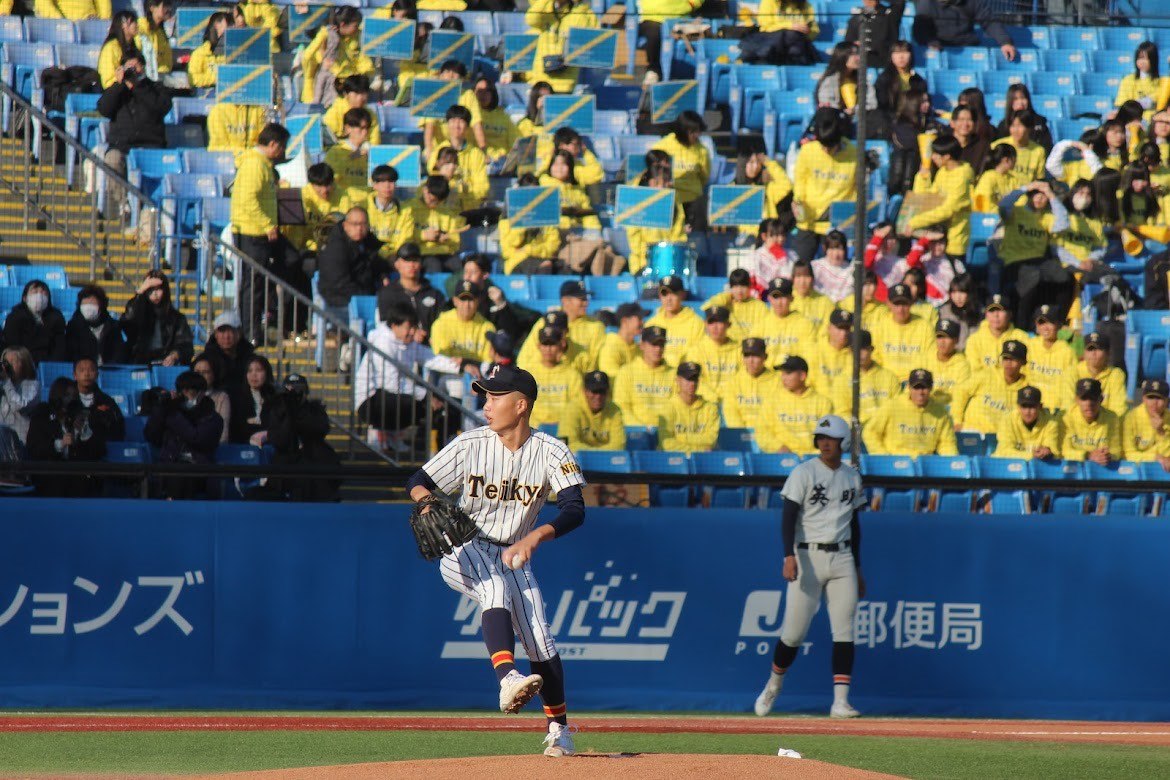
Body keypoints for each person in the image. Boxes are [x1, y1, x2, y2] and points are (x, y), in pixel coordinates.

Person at [406, 363, 584, 756]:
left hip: (514, 550)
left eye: (495, 396)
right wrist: (427, 502)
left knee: (540, 638)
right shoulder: (470, 444)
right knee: (494, 588)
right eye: (486, 396)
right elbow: (417, 480)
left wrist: (537, 536)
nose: (486, 405)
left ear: (521, 405)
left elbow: (574, 509)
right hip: (464, 545)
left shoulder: (551, 451)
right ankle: (507, 679)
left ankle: (559, 731)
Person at [753, 414, 866, 720]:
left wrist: (857, 567)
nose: (825, 443)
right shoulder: (803, 472)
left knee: (844, 630)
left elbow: (855, 525)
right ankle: (773, 685)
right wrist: (787, 556)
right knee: (793, 634)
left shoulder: (852, 477)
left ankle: (840, 702)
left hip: (842, 557)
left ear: (843, 443)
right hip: (807, 555)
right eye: (821, 438)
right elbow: (788, 516)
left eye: (831, 439)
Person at [354, 305, 478, 450]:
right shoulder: (382, 344)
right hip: (370, 401)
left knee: (449, 405)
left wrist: (461, 367)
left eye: (414, 327)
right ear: (394, 326)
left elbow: (430, 358)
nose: (412, 332)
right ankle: (379, 431)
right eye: (408, 327)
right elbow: (391, 384)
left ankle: (398, 436)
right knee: (422, 405)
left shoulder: (408, 342)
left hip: (395, 394)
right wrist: (427, 395)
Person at [230, 123, 301, 340]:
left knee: (290, 259)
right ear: (273, 145)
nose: (283, 152)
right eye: (282, 147)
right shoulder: (254, 165)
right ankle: (250, 332)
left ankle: (271, 309)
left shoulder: (263, 165)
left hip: (262, 232)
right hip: (252, 233)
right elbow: (248, 200)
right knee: (253, 284)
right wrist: (266, 225)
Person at [253, 374, 341, 502]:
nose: (294, 394)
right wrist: (288, 412)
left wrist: (298, 413)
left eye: (299, 390)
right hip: (285, 463)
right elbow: (279, 438)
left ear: (306, 392)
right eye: (289, 390)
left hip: (312, 461)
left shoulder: (314, 410)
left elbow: (320, 429)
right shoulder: (277, 411)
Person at [997, 181, 1072, 328]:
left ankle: (1057, 321)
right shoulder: (1016, 212)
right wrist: (1025, 187)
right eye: (1036, 194)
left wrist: (1051, 195)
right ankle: (1022, 325)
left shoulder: (1047, 217)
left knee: (1065, 277)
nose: (1039, 198)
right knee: (1031, 278)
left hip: (1039, 261)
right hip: (1015, 261)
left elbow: (1063, 223)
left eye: (1043, 196)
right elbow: (1003, 205)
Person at [144, 371, 224, 500]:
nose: (184, 395)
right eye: (182, 391)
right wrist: (161, 409)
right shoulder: (171, 411)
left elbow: (196, 438)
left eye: (189, 391)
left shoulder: (213, 418)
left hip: (200, 470)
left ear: (201, 393)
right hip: (169, 466)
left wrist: (174, 415)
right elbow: (151, 436)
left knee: (182, 474)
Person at [793, 109, 858, 262]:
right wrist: (798, 201)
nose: (826, 150)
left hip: (835, 223)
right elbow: (800, 179)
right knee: (802, 265)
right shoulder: (808, 151)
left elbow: (856, 188)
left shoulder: (853, 154)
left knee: (836, 267)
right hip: (808, 220)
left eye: (830, 147)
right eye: (823, 146)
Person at [25, 376, 107, 497]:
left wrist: (84, 431)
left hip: (76, 480)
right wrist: (60, 444)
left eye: (73, 396)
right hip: (49, 477)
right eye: (67, 395)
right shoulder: (43, 414)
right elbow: (34, 448)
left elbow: (99, 450)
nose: (70, 400)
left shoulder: (78, 416)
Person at [904, 135, 974, 259]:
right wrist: (923, 178)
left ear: (947, 156)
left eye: (936, 154)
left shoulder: (962, 177)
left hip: (954, 241)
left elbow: (948, 209)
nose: (933, 157)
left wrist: (915, 222)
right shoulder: (943, 171)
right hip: (937, 238)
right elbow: (929, 199)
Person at [864, 368, 957, 455]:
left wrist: (950, 460)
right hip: (896, 460)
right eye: (916, 387)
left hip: (925, 461)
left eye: (924, 387)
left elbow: (947, 443)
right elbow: (870, 432)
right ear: (909, 387)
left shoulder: (940, 413)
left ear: (931, 388)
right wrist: (883, 456)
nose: (920, 392)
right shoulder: (892, 407)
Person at [316, 207, 389, 311]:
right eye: (355, 224)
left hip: (365, 296)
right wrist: (369, 298)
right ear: (345, 226)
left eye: (363, 224)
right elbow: (339, 285)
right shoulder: (335, 249)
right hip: (339, 302)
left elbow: (377, 263)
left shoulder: (368, 243)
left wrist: (383, 275)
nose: (359, 228)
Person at [951, 339, 1030, 434]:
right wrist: (957, 421)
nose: (1008, 363)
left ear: (1023, 362)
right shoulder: (986, 374)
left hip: (1001, 438)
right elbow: (960, 392)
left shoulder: (1026, 389)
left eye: (1013, 359)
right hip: (972, 432)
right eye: (1006, 358)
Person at [757, 356, 833, 454]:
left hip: (813, 458)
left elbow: (827, 434)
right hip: (782, 459)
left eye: (788, 373)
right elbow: (762, 432)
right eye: (782, 373)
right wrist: (779, 447)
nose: (783, 378)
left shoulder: (823, 403)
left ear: (802, 376)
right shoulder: (771, 401)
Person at [300, 6, 374, 105]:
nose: (358, 29)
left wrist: (361, 76)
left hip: (349, 85)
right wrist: (323, 60)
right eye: (355, 26)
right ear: (343, 24)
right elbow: (307, 56)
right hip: (326, 84)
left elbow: (364, 60)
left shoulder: (357, 36)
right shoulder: (326, 35)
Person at [375, 243, 446, 342]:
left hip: (431, 345)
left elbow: (443, 322)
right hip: (399, 346)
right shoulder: (387, 294)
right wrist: (411, 333)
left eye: (415, 260)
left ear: (421, 264)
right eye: (407, 260)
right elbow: (385, 327)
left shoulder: (434, 294)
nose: (412, 265)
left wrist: (434, 337)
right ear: (397, 264)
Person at [523, 0, 598, 93]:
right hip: (541, 80)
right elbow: (531, 19)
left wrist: (579, 4)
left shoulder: (580, 13)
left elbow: (593, 33)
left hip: (565, 81)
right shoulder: (545, 10)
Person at [121, 271, 194, 366]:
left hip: (165, 365)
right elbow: (128, 319)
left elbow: (186, 345)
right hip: (139, 363)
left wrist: (175, 355)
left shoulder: (177, 318)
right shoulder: (139, 313)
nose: (155, 293)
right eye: (150, 289)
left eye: (158, 289)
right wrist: (140, 291)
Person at [653, 111, 710, 230]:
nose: (697, 135)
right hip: (670, 201)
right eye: (693, 132)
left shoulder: (702, 151)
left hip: (692, 200)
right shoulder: (663, 146)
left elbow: (704, 176)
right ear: (683, 131)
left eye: (699, 131)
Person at [911, 0, 1017, 62]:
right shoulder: (927, 4)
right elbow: (920, 30)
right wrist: (930, 41)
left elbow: (989, 21)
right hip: (939, 50)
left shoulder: (971, 2)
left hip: (968, 48)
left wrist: (1005, 42)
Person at [870, 283, 935, 382]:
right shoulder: (880, 326)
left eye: (904, 304)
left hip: (916, 381)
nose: (900, 309)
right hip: (885, 380)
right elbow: (875, 357)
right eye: (896, 304)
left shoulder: (924, 326)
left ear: (911, 303)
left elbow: (930, 358)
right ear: (888, 304)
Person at [613, 326, 675, 428]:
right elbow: (622, 407)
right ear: (642, 345)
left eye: (661, 345)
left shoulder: (674, 374)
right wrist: (642, 429)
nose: (658, 349)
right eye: (653, 344)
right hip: (636, 432)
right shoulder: (627, 372)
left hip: (667, 431)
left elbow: (678, 408)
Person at [526, 326, 584, 431]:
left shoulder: (573, 375)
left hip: (563, 429)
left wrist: (563, 425)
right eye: (545, 344)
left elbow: (576, 406)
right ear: (538, 346)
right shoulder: (529, 373)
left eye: (552, 344)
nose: (548, 349)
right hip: (533, 429)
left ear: (560, 346)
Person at [408, 175, 467, 274]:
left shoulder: (448, 213)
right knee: (433, 264)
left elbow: (455, 242)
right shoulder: (410, 209)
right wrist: (423, 236)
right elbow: (403, 235)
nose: (433, 204)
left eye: (437, 202)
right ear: (424, 190)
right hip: (420, 252)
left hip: (444, 252)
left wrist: (446, 238)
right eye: (431, 199)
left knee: (458, 265)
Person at [656, 362, 720, 453]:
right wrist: (698, 449)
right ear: (678, 380)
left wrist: (681, 437)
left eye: (695, 379)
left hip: (700, 459)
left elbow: (711, 440)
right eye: (688, 379)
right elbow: (666, 444)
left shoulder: (710, 408)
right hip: (672, 459)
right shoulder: (667, 407)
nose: (692, 383)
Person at [644, 275, 706, 367]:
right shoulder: (651, 323)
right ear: (660, 296)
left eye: (673, 293)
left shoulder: (696, 323)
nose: (669, 299)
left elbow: (699, 355)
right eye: (664, 294)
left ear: (682, 295)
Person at [1025, 305, 1077, 414]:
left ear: (1059, 325)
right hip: (1031, 408)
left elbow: (1069, 388)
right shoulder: (1030, 346)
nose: (1045, 327)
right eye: (1041, 323)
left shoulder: (1067, 352)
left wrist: (1064, 413)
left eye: (1050, 322)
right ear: (1036, 326)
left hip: (1056, 411)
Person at [755, 278, 816, 370]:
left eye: (783, 297)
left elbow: (809, 356)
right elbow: (754, 355)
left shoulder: (805, 324)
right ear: (769, 298)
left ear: (791, 298)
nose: (779, 302)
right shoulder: (760, 324)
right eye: (775, 297)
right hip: (767, 375)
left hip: (793, 373)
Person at [2, 281, 68, 364]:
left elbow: (59, 347)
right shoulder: (14, 317)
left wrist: (49, 365)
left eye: (43, 293)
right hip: (22, 362)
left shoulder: (57, 317)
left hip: (49, 363)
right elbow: (12, 345)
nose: (39, 296)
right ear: (25, 298)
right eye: (35, 292)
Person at [683, 307, 740, 402]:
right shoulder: (696, 350)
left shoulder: (739, 350)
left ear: (728, 324)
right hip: (705, 402)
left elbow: (743, 379)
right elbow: (695, 380)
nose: (715, 327)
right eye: (711, 322)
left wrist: (729, 399)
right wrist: (713, 398)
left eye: (719, 322)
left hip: (732, 402)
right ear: (705, 324)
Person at [557, 370, 625, 451]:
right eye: (594, 391)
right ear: (584, 391)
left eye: (602, 392)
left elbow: (619, 445)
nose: (598, 396)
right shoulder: (572, 409)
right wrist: (594, 455)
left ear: (607, 392)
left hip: (605, 458)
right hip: (578, 458)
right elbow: (568, 443)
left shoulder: (615, 410)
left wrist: (594, 455)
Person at [431, 281, 496, 363]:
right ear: (455, 301)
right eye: (463, 299)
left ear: (477, 301)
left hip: (478, 370)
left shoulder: (488, 327)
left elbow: (488, 362)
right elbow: (441, 360)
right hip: (449, 370)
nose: (467, 305)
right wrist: (464, 366)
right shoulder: (441, 325)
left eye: (471, 299)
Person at [719, 337, 777, 429]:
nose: (751, 360)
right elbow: (731, 413)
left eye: (756, 355)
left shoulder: (777, 381)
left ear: (765, 357)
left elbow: (778, 414)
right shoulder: (733, 382)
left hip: (769, 433)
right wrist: (743, 433)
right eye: (747, 355)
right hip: (740, 434)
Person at [1060, 378, 1121, 465]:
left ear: (1101, 399)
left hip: (1102, 467)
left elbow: (1116, 450)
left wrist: (1108, 456)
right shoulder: (1066, 418)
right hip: (1073, 468)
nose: (1089, 403)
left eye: (1093, 398)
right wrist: (1088, 455)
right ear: (1077, 400)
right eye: (1084, 399)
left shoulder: (1112, 418)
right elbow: (1063, 451)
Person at [743, 0, 820, 67]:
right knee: (791, 35)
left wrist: (807, 31)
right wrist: (790, 26)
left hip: (797, 44)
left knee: (796, 39)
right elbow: (765, 26)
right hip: (773, 44)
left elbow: (815, 30)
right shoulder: (769, 1)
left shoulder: (805, 4)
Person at [65, 285, 129, 366]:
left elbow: (119, 354)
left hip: (109, 369)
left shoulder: (113, 327)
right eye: (85, 304)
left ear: (101, 305)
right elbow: (71, 354)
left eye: (92, 303)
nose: (88, 308)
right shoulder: (74, 327)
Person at [993, 386, 1061, 460]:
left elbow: (1053, 449)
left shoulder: (1050, 423)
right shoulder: (1007, 420)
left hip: (1039, 465)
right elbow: (1003, 451)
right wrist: (1031, 455)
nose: (1027, 412)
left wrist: (1048, 451)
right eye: (1024, 406)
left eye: (1032, 407)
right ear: (1018, 407)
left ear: (1040, 406)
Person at [323, 108, 373, 207]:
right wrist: (354, 156)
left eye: (367, 128)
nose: (365, 132)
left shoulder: (372, 152)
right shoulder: (336, 151)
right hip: (345, 202)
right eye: (361, 128)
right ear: (348, 128)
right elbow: (330, 178)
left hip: (368, 201)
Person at [365, 165, 416, 261]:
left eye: (391, 181)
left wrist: (393, 255)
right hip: (369, 256)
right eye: (382, 181)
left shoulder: (405, 211)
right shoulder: (364, 207)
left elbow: (405, 239)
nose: (387, 186)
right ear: (374, 185)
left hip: (394, 257)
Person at [815, 42, 877, 117]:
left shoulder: (863, 80)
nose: (859, 58)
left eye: (858, 54)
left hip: (860, 118)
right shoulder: (830, 80)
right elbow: (827, 104)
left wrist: (854, 110)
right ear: (842, 56)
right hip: (837, 119)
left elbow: (872, 103)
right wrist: (843, 112)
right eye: (853, 54)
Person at [1075, 332, 1128, 418]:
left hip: (1108, 423)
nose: (1093, 353)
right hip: (1078, 422)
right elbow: (1069, 404)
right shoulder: (1073, 371)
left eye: (1098, 349)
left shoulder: (1115, 374)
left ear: (1108, 353)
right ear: (1084, 353)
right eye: (1090, 349)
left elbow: (1119, 408)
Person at [201, 310, 257, 391]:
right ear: (216, 334)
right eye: (222, 331)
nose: (226, 336)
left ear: (239, 332)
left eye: (231, 331)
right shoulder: (205, 360)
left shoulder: (251, 359)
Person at [874, 39, 926, 122]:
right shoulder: (884, 79)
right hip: (890, 120)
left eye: (905, 52)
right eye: (897, 52)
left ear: (911, 55)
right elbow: (882, 105)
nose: (901, 56)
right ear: (891, 56)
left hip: (913, 120)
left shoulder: (918, 80)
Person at [922, 319, 970, 408]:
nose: (942, 341)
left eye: (948, 337)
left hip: (950, 409)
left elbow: (960, 398)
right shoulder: (926, 358)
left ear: (956, 340)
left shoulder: (963, 365)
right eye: (939, 336)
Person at [1122, 379, 1170, 468]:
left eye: (1159, 398)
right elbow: (1128, 454)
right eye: (1150, 397)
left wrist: (1161, 432)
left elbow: (1168, 455)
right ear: (1143, 398)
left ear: (1167, 401)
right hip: (1136, 469)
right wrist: (1153, 457)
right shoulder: (1131, 418)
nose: (1154, 403)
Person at [324, 75, 382, 146]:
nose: (360, 98)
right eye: (356, 93)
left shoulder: (371, 114)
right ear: (346, 94)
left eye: (363, 93)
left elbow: (375, 142)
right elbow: (327, 140)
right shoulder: (334, 113)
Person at [846, 1, 908, 65]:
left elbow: (900, 2)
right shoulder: (855, 19)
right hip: (862, 63)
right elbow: (848, 43)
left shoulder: (890, 15)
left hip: (886, 62)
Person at [0, 346, 40, 445]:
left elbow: (19, 406)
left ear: (24, 364)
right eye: (5, 362)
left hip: (19, 442)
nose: (7, 366)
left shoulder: (32, 385)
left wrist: (7, 382)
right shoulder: (3, 385)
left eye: (12, 362)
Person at [599, 303, 647, 379]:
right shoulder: (610, 347)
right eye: (639, 318)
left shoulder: (637, 348)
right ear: (625, 321)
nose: (643, 322)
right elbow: (611, 377)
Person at [192, 352, 232, 444]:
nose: (200, 376)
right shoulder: (184, 395)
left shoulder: (222, 397)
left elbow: (223, 434)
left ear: (214, 375)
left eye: (206, 372)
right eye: (197, 372)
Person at [187, 11, 232, 89]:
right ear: (217, 25)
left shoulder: (233, 53)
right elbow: (193, 79)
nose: (231, 28)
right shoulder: (199, 53)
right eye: (228, 24)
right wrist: (217, 78)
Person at [97, 11, 138, 90]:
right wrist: (125, 82)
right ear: (123, 25)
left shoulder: (132, 47)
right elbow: (108, 80)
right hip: (115, 90)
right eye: (133, 21)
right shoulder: (111, 47)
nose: (136, 24)